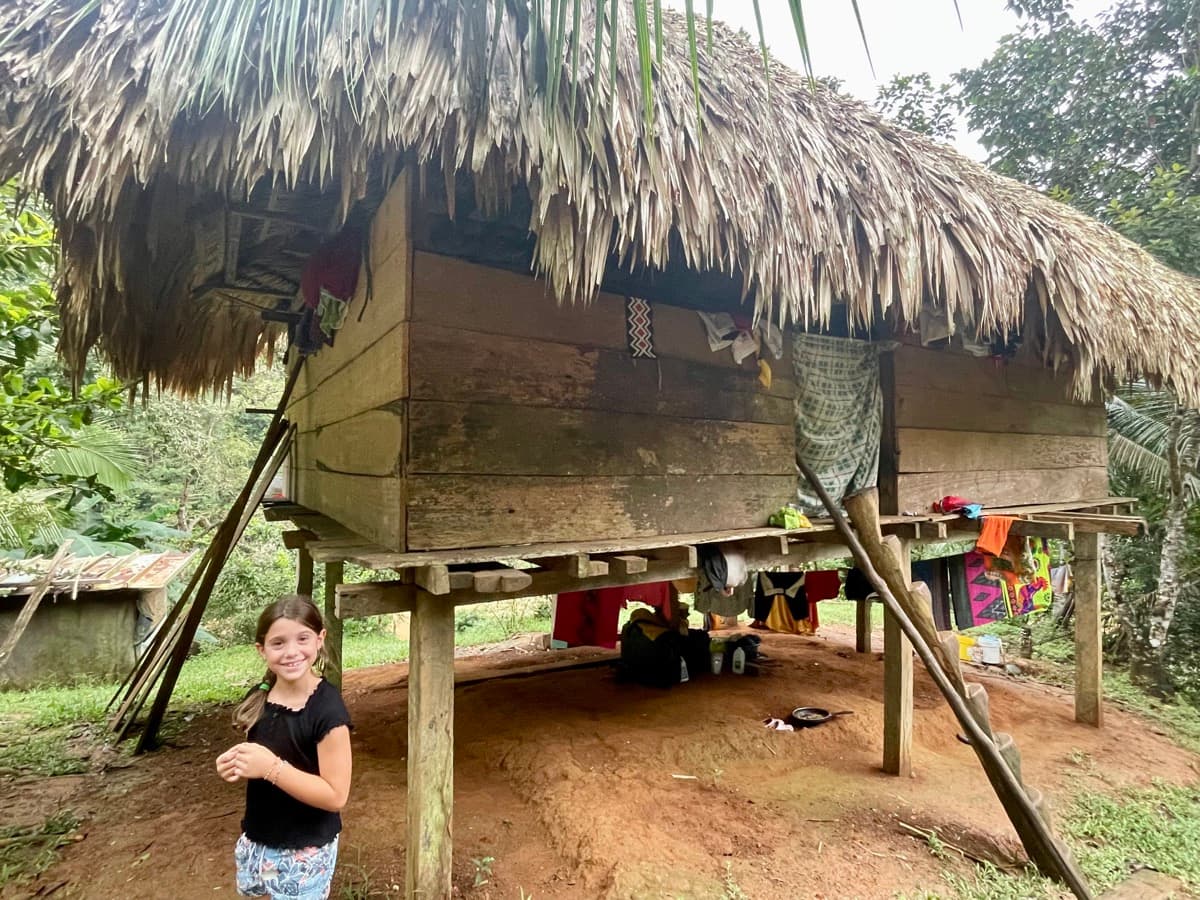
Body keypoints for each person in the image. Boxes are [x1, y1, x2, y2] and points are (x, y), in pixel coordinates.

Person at [215, 596, 352, 900]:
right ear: (262, 650)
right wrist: (236, 761)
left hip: (304, 851)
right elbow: (267, 753)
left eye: (302, 639)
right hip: (261, 840)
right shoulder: (261, 696)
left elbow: (336, 795)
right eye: (278, 643)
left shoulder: (328, 713)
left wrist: (271, 768)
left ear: (320, 640)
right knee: (265, 892)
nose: (291, 652)